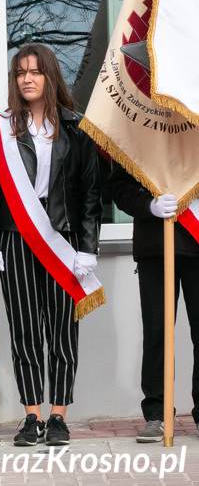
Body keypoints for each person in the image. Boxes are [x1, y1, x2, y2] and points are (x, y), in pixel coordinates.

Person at [0, 43, 102, 447]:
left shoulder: (76, 128)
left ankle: (59, 414)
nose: (26, 79)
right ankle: (31, 414)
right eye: (20, 72)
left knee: (63, 330)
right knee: (26, 329)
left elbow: (89, 194)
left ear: (50, 76)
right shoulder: (3, 130)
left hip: (63, 239)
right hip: (17, 240)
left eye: (34, 71)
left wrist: (88, 247)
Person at [109, 166, 199, 442]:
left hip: (197, 243)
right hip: (155, 246)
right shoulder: (141, 132)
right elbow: (119, 189)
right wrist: (149, 205)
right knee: (157, 332)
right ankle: (157, 413)